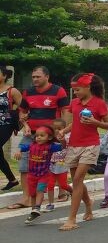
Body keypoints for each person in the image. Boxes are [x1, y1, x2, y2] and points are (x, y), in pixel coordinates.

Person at [10, 66, 70, 210]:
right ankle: (27, 197)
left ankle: (62, 189)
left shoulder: (58, 91)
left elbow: (65, 111)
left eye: (38, 76)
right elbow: (22, 112)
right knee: (25, 164)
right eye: (33, 77)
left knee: (56, 162)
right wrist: (25, 124)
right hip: (32, 134)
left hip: (52, 135)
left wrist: (61, 131)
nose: (35, 79)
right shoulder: (28, 92)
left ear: (46, 77)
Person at [60, 73, 108, 231]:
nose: (75, 93)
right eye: (74, 90)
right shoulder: (74, 103)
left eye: (77, 89)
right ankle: (88, 203)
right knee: (77, 180)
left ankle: (71, 219)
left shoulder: (99, 103)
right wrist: (63, 131)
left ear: (88, 87)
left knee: (77, 179)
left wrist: (95, 122)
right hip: (73, 144)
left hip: (90, 144)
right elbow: (74, 123)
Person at [20, 125, 63, 224]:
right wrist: (19, 151)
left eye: (42, 135)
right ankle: (33, 212)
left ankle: (37, 207)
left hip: (43, 175)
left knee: (40, 190)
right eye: (37, 135)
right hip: (31, 175)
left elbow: (61, 146)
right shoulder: (31, 145)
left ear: (49, 137)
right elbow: (22, 147)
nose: (38, 137)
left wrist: (62, 139)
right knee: (32, 194)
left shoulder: (50, 147)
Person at [0, 64, 23, 191]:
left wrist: (23, 122)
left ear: (4, 75)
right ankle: (12, 180)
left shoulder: (12, 91)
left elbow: (24, 108)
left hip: (6, 124)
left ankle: (12, 179)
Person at [45, 118, 73, 210]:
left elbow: (63, 146)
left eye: (59, 128)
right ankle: (50, 203)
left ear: (64, 128)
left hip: (62, 165)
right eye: (54, 128)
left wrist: (61, 138)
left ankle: (72, 192)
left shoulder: (66, 137)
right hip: (51, 165)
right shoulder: (49, 138)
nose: (57, 130)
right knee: (50, 184)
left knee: (63, 185)